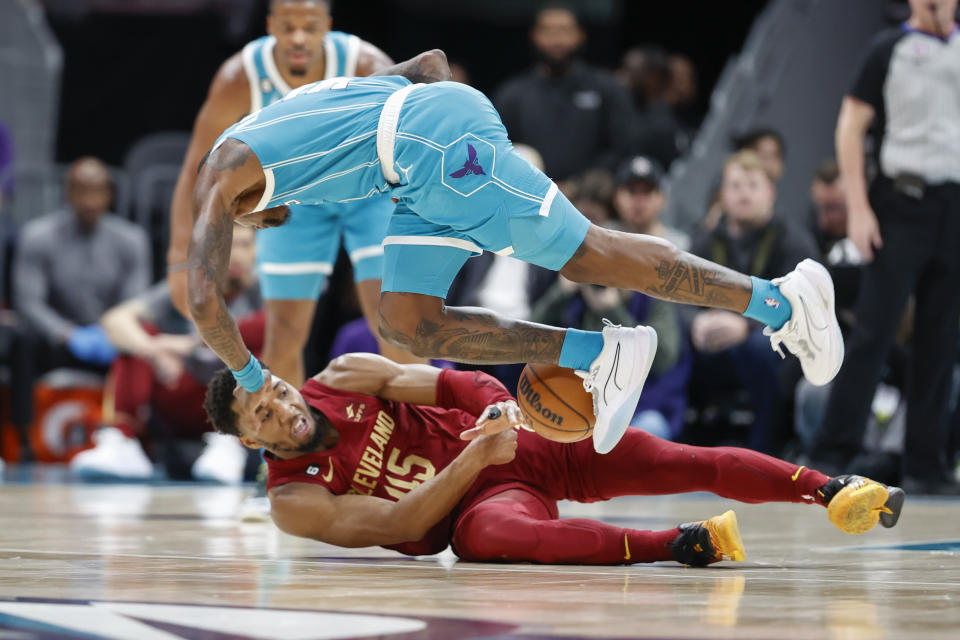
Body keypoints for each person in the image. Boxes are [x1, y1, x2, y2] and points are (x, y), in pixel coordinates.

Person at [185, 50, 843, 456]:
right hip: (416, 168)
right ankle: (600, 353)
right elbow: (428, 64)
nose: (271, 224)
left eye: (260, 222)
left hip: (433, 152)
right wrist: (428, 121)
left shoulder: (224, 174)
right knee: (405, 322)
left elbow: (201, 296)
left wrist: (251, 377)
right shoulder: (281, 120)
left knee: (592, 254)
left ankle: (782, 301)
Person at [202, 354, 904, 566]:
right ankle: (686, 545)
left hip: (518, 440)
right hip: (474, 503)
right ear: (249, 441)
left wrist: (496, 408)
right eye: (264, 413)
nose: (285, 408)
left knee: (675, 459)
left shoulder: (346, 374)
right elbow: (400, 522)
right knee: (487, 543)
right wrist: (476, 459)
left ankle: (832, 489)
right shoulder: (293, 502)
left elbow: (455, 381)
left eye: (278, 390)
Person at [166, 0, 418, 389]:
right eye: (288, 26)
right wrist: (179, 253)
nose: (298, 38)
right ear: (270, 26)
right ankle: (291, 448)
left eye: (309, 26)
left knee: (395, 323)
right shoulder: (240, 76)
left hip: (369, 194)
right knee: (282, 334)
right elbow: (198, 167)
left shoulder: (365, 63)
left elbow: (416, 133)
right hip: (293, 200)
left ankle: (432, 434)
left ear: (327, 27)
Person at [807, 0, 960, 495]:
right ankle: (832, 448)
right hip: (902, 199)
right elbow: (850, 125)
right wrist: (858, 206)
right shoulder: (889, 47)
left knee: (942, 336)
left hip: (953, 201)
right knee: (874, 330)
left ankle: (926, 463)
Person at [70, 226, 264, 482]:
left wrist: (189, 343)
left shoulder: (266, 288)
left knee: (262, 345)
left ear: (256, 251)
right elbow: (116, 320)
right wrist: (153, 351)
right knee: (139, 335)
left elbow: (274, 327)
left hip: (239, 405)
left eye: (244, 245)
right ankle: (122, 441)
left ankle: (231, 445)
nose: (237, 254)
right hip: (186, 395)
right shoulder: (187, 285)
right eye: (229, 246)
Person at [10, 157, 151, 449]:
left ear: (109, 195)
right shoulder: (37, 236)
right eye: (82, 190)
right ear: (68, 193)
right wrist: (66, 333)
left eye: (98, 190)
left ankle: (132, 441)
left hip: (110, 341)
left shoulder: (132, 240)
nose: (90, 199)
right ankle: (21, 439)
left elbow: (135, 303)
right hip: (58, 340)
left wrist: (111, 333)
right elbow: (28, 302)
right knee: (18, 338)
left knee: (146, 338)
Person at [685, 151, 818, 453]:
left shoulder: (793, 241)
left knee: (761, 346)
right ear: (722, 195)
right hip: (711, 340)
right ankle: (682, 443)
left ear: (770, 192)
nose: (743, 193)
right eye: (735, 185)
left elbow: (799, 305)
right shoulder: (704, 241)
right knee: (669, 338)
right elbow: (675, 298)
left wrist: (745, 324)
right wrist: (695, 322)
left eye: (752, 185)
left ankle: (765, 447)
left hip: (769, 343)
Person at [493, 3, 634, 180]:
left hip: (589, 199)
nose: (557, 40)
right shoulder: (511, 95)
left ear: (581, 36)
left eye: (564, 30)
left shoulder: (607, 88)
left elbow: (622, 147)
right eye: (548, 31)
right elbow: (497, 151)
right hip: (528, 197)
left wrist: (581, 184)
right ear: (534, 36)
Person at [613, 155, 690, 251]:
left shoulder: (682, 248)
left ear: (663, 199)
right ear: (616, 198)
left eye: (647, 191)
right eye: (632, 190)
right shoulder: (602, 239)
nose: (639, 199)